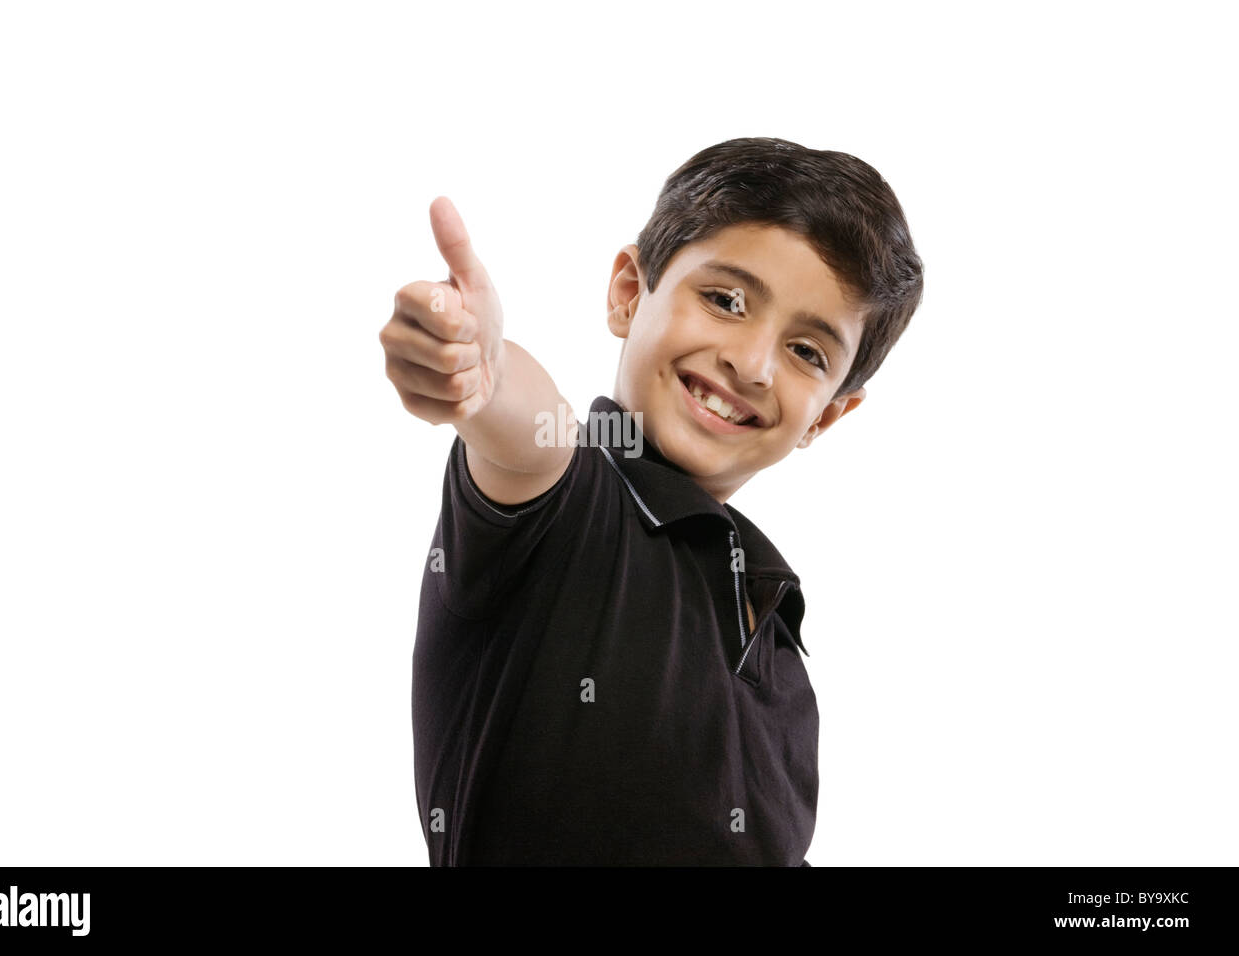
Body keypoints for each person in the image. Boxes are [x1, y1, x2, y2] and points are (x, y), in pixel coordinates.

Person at [382, 137, 924, 865]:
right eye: (725, 300)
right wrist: (485, 375)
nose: (753, 363)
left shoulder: (776, 636)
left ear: (826, 415)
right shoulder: (573, 507)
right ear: (630, 292)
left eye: (807, 352)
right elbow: (531, 436)